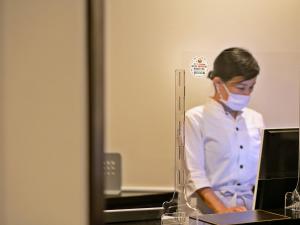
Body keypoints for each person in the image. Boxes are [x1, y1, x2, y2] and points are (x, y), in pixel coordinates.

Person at [184, 47, 264, 214]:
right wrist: (222, 211)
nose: (247, 93)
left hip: (250, 211)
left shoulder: (255, 119)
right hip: (209, 214)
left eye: (251, 87)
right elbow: (195, 174)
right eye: (241, 88)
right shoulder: (195, 118)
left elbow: (261, 173)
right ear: (218, 83)